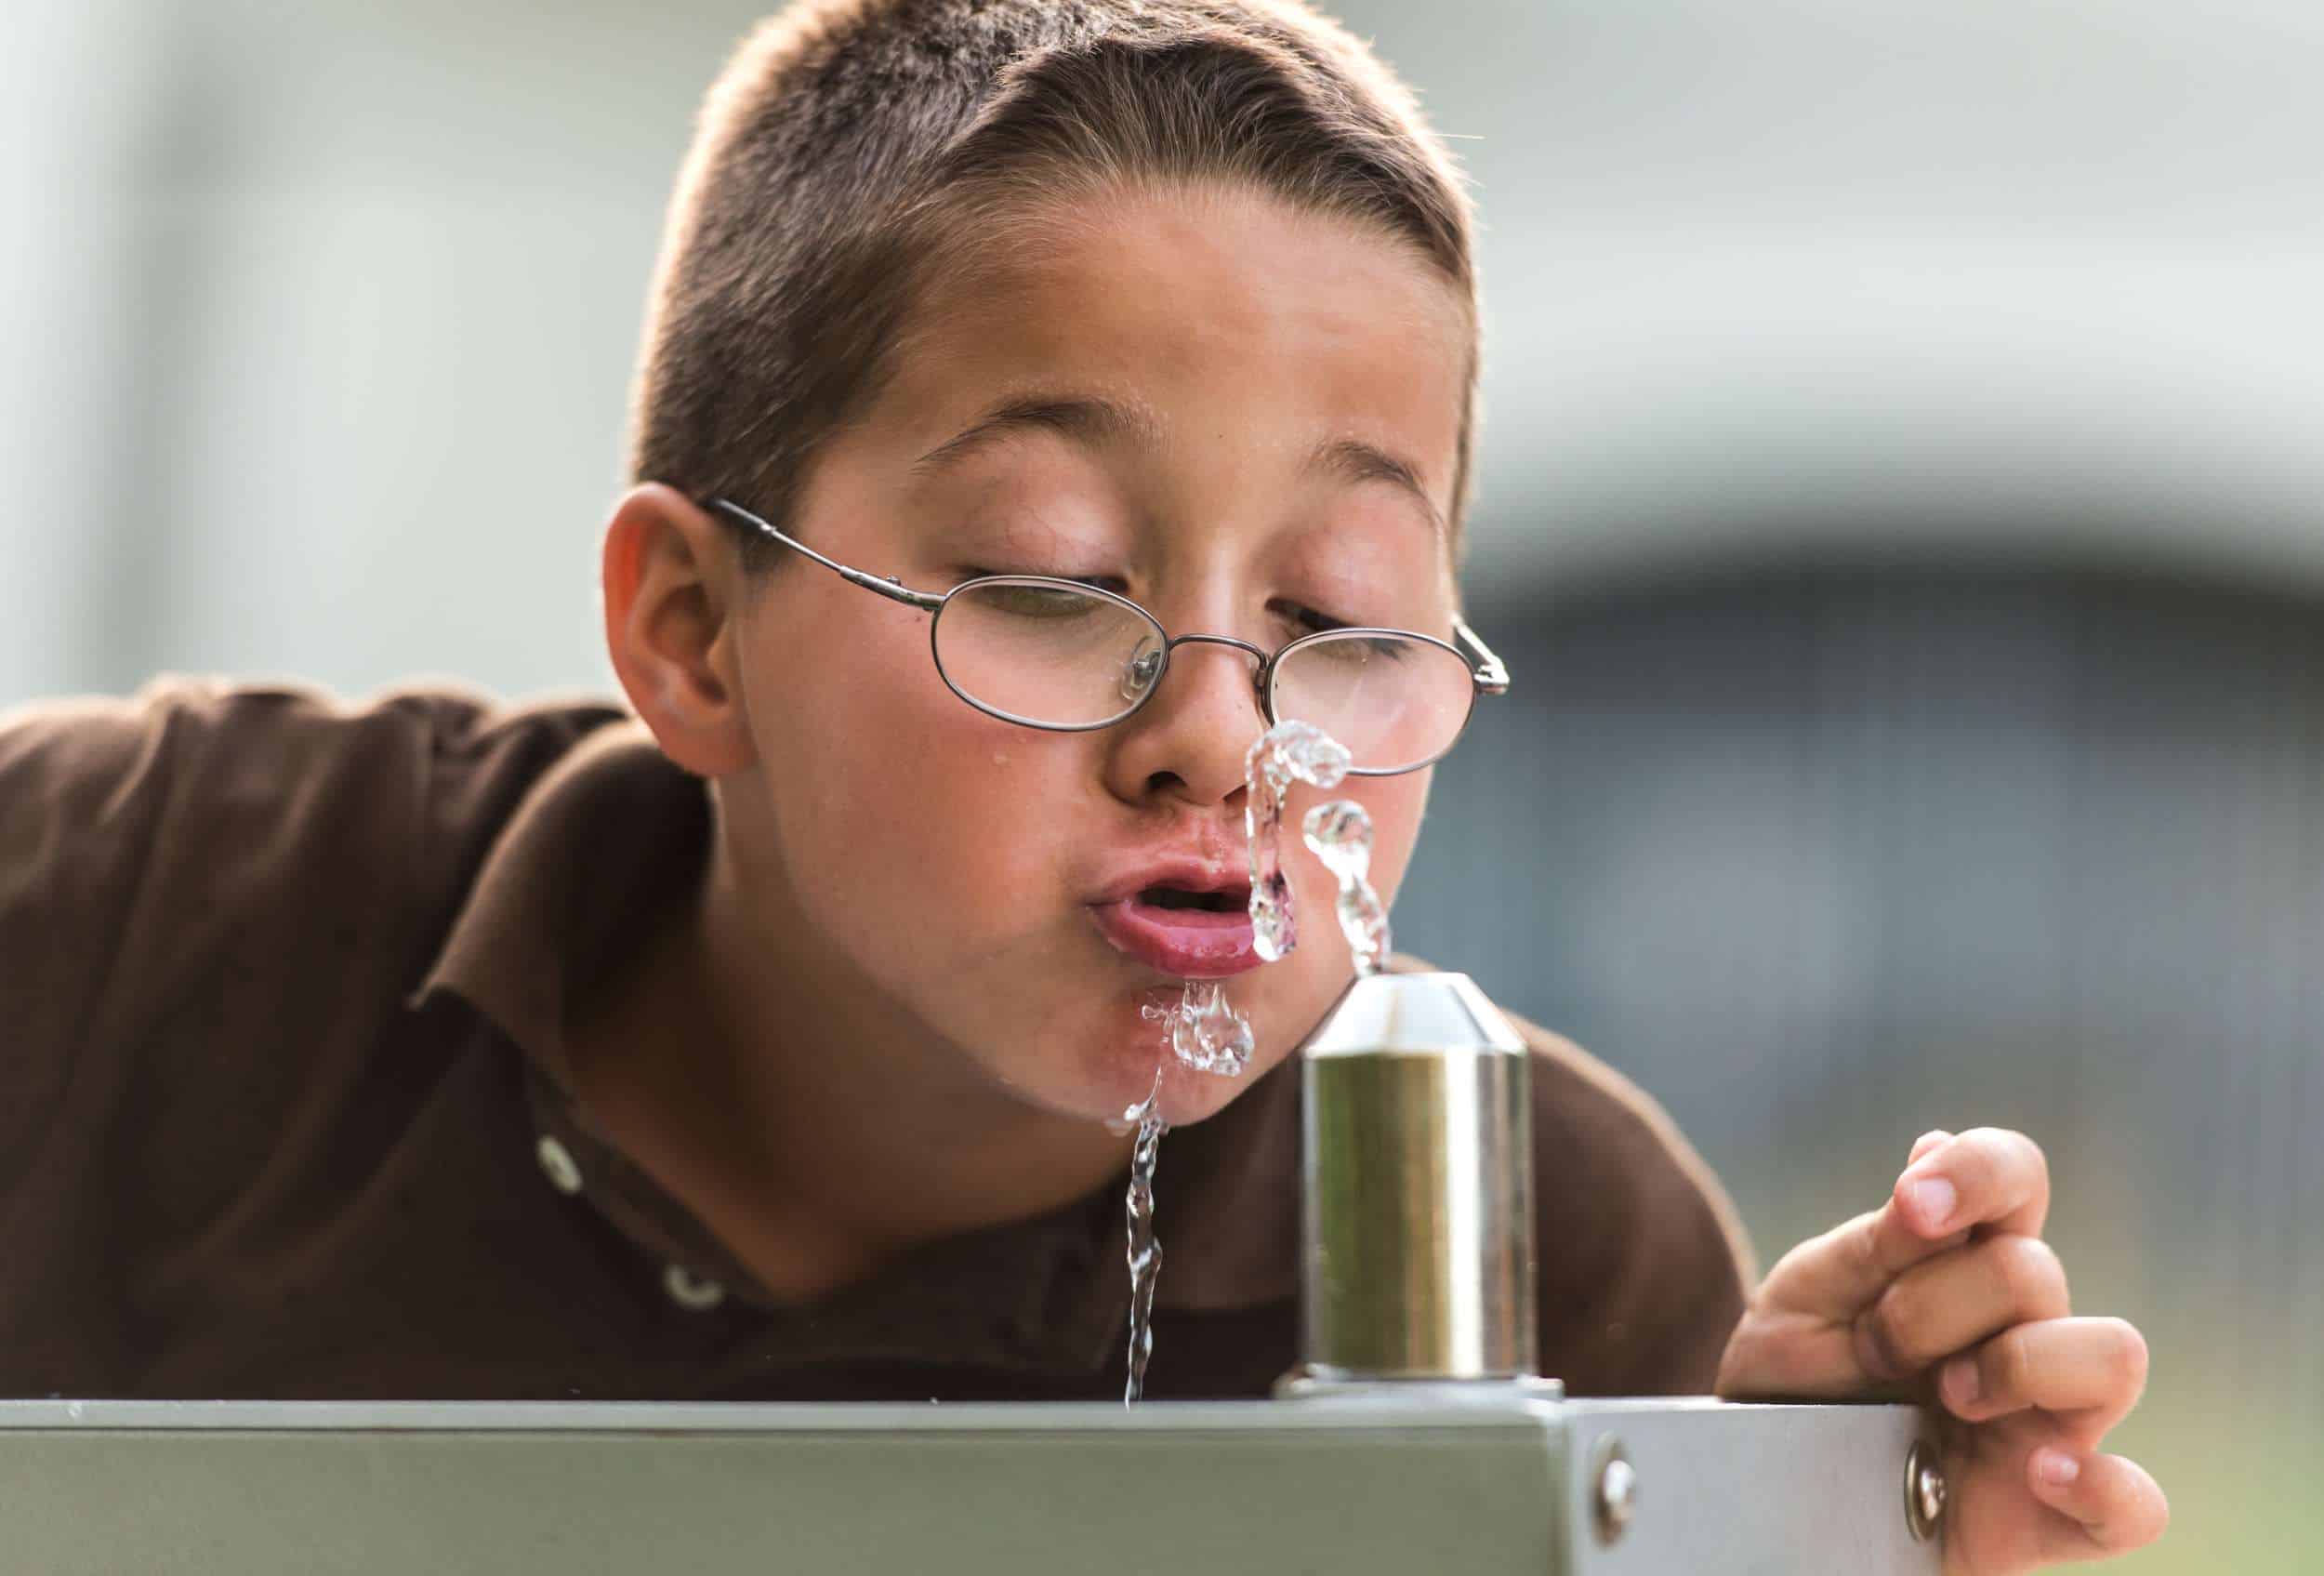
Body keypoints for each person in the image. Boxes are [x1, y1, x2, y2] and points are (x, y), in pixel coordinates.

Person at [0, 1, 2163, 1568]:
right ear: (691, 630)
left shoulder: (1549, 1262)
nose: (1219, 729)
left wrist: (1754, 1524)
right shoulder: (131, 921)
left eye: (1337, 606)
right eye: (1054, 579)